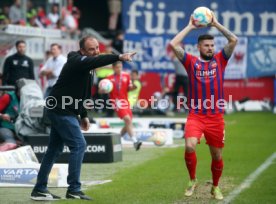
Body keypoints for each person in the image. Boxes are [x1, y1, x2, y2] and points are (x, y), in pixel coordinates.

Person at [30, 36, 136, 201]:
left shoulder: (89, 65)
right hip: (59, 109)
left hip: (67, 110)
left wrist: (84, 115)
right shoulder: (76, 61)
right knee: (79, 144)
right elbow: (97, 61)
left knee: (54, 150)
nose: (96, 51)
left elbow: (85, 93)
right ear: (83, 51)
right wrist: (119, 56)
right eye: (92, 49)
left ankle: (39, 189)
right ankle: (74, 189)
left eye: (97, 48)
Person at [170, 13, 238, 200]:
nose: (210, 48)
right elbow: (173, 44)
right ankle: (192, 179)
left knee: (216, 156)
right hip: (196, 116)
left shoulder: (220, 60)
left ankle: (215, 186)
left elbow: (233, 39)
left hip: (216, 118)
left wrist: (215, 24)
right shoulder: (191, 62)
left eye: (212, 45)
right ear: (198, 47)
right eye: (206, 45)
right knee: (190, 146)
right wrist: (190, 26)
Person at [105, 62, 142, 150]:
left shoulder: (126, 76)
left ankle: (116, 141)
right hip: (116, 102)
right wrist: (103, 90)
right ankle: (135, 141)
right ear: (113, 68)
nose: (119, 69)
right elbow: (102, 89)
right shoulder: (109, 78)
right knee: (128, 120)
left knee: (128, 123)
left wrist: (134, 87)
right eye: (117, 67)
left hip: (125, 102)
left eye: (120, 67)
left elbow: (128, 88)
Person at [0, 81, 21, 152]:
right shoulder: (8, 97)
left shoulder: (28, 99)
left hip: (21, 128)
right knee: (10, 140)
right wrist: (2, 115)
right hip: (6, 127)